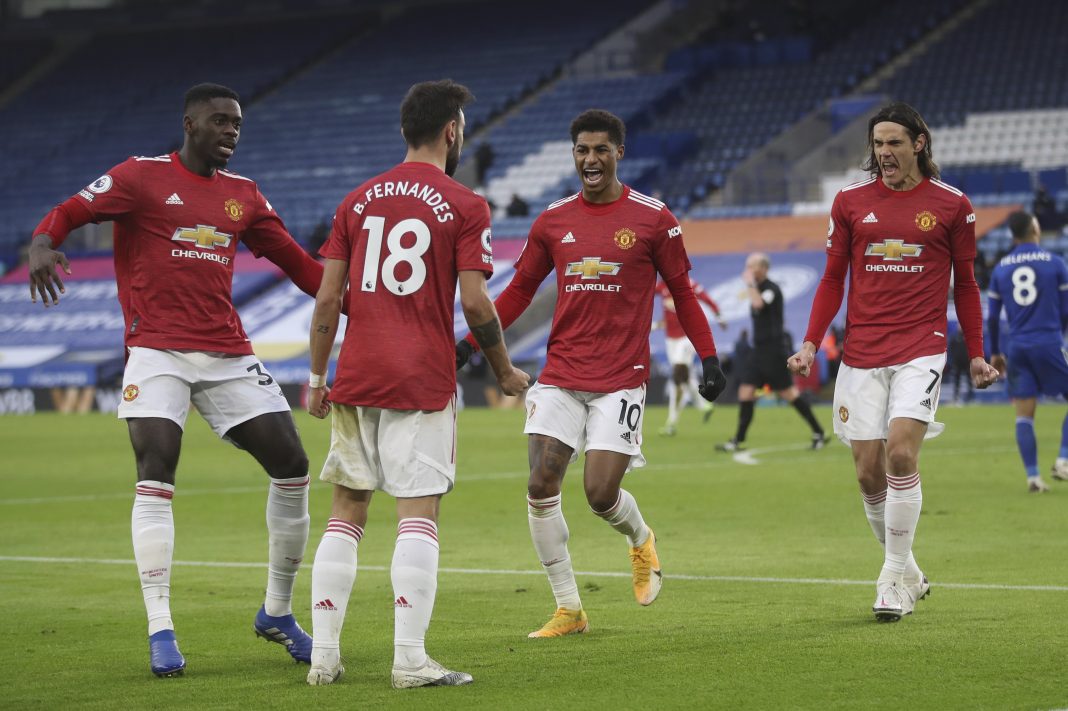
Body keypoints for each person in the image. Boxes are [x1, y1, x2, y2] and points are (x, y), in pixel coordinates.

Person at [27, 83, 328, 677]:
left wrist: (355, 304)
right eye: (219, 121)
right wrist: (42, 242)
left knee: (293, 467)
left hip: (226, 352)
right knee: (156, 468)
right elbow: (70, 211)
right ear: (189, 124)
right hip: (156, 349)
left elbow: (298, 264)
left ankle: (276, 611)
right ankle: (160, 627)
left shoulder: (244, 196)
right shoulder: (139, 177)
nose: (231, 131)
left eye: (236, 123)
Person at [456, 109, 726, 637]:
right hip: (561, 373)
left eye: (601, 149)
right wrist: (471, 343)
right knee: (540, 484)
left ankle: (640, 540)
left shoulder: (654, 219)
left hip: (621, 377)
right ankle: (569, 609)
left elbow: (683, 293)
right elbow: (518, 291)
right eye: (582, 150)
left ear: (619, 153)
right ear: (573, 154)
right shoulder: (553, 221)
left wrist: (709, 357)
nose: (591, 159)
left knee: (600, 493)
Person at [303, 79, 529, 688]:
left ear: (405, 129)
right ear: (452, 131)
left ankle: (324, 658)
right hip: (421, 377)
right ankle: (408, 659)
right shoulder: (464, 204)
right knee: (417, 513)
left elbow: (327, 299)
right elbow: (476, 304)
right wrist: (503, 369)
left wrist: (318, 376)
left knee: (346, 512)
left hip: (356, 374)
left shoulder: (356, 200)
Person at [787, 102, 999, 623]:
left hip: (922, 347)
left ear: (919, 144)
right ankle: (910, 573)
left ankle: (890, 581)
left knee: (901, 454)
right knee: (867, 473)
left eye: (894, 143)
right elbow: (832, 279)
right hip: (862, 352)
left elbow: (967, 285)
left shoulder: (952, 205)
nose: (884, 153)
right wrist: (811, 342)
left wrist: (976, 352)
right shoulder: (850, 202)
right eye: (878, 144)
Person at [987, 210, 1068, 493]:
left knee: (1024, 414)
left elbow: (992, 317)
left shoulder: (1001, 268)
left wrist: (995, 353)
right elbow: (1066, 310)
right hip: (1048, 341)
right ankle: (1064, 459)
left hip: (1017, 347)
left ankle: (1033, 477)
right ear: (1035, 229)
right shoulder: (1055, 263)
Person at [716, 253, 828, 452]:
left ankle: (818, 432)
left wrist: (749, 284)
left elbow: (759, 304)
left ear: (763, 269)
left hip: (773, 350)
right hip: (758, 351)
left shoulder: (771, 289)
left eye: (752, 266)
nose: (748, 270)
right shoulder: (758, 289)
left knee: (789, 393)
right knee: (745, 391)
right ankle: (738, 440)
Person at [655, 275, 727, 435]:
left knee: (677, 376)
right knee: (686, 378)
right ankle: (705, 406)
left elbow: (707, 299)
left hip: (686, 338)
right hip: (670, 340)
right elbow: (643, 291)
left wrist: (719, 316)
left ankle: (671, 423)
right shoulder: (662, 286)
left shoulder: (688, 283)